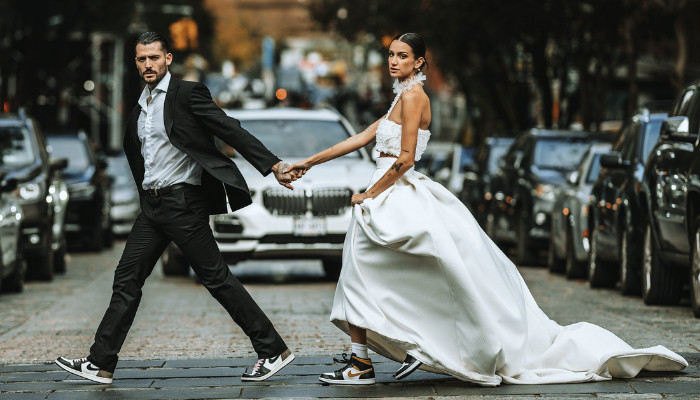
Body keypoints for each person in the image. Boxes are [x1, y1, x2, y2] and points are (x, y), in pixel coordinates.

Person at [285, 32, 688, 386]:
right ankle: (373, 356)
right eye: (391, 54)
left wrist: (369, 195)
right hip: (388, 192)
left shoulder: (414, 98)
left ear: (420, 61)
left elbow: (405, 159)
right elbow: (359, 138)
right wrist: (308, 161)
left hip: (393, 192)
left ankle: (370, 359)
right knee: (374, 271)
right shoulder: (399, 98)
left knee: (375, 270)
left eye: (402, 55)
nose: (394, 61)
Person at [55, 32, 296, 384]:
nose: (148, 64)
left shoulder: (187, 94)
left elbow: (229, 128)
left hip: (181, 203)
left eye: (154, 57)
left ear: (168, 59)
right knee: (127, 278)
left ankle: (272, 348)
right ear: (135, 62)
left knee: (215, 278)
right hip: (153, 207)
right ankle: (100, 362)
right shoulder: (142, 102)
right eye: (141, 59)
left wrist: (272, 165)